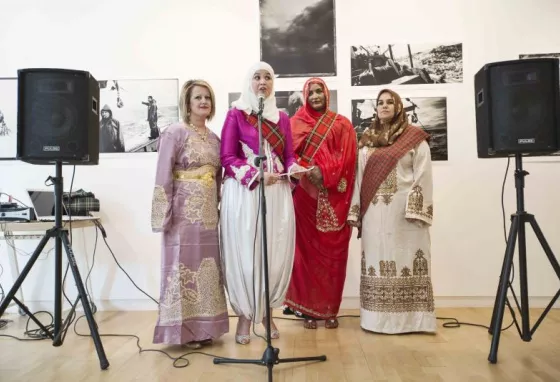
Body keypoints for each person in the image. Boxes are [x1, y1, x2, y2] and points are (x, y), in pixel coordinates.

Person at [219, 61, 306, 345]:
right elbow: (227, 158)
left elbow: (289, 155)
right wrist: (255, 175)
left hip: (277, 193)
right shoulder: (236, 113)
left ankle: (268, 313)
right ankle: (245, 316)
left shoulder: (280, 117)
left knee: (274, 251)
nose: (262, 82)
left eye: (267, 77)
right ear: (249, 82)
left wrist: (293, 169)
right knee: (246, 252)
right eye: (257, 77)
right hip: (246, 193)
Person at [347, 88, 436, 334]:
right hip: (374, 214)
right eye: (380, 102)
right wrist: (355, 211)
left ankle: (412, 321)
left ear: (398, 107)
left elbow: (423, 173)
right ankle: (375, 320)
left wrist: (417, 209)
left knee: (407, 258)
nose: (384, 106)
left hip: (405, 215)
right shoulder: (367, 139)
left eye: (390, 102)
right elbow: (359, 177)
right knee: (377, 259)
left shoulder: (414, 137)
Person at [150, 79, 229, 348]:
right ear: (187, 102)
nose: (204, 102)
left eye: (207, 97)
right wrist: (163, 214)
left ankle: (205, 330)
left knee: (206, 268)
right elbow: (163, 174)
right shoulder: (175, 133)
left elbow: (218, 177)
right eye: (198, 98)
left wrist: (219, 209)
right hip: (182, 215)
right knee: (182, 266)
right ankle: (181, 333)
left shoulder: (215, 139)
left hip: (207, 216)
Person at [283, 77, 357, 329]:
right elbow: (287, 157)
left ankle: (328, 309)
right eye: (310, 92)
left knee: (333, 256)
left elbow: (347, 159)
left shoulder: (342, 124)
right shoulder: (295, 123)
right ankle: (307, 310)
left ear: (326, 94)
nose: (315, 96)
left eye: (319, 91)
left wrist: (323, 172)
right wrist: (305, 170)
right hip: (303, 198)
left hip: (332, 197)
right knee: (305, 255)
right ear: (305, 96)